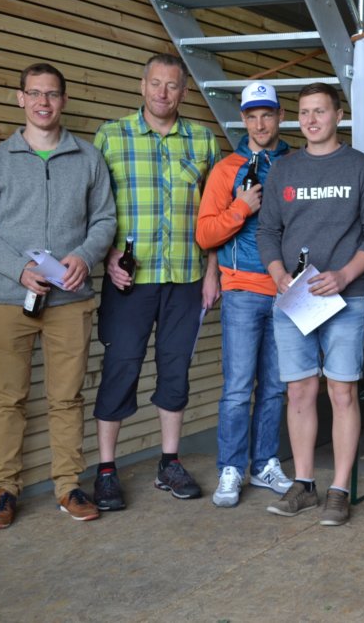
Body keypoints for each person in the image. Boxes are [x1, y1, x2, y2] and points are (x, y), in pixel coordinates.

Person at [0, 63, 117, 527]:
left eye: (51, 94)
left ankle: (68, 486)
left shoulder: (88, 158)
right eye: (34, 93)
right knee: (7, 398)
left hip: (70, 301)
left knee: (66, 398)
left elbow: (105, 220)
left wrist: (85, 256)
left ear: (63, 100)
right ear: (20, 98)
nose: (43, 102)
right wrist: (19, 269)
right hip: (8, 299)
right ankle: (4, 491)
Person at [91, 53, 221, 510]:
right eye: (155, 83)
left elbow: (214, 216)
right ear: (142, 85)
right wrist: (107, 255)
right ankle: (106, 469)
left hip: (186, 277)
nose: (163, 93)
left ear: (183, 92)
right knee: (121, 366)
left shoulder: (203, 141)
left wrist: (212, 272)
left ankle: (169, 461)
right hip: (129, 280)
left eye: (172, 85)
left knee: (175, 368)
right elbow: (93, 209)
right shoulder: (111, 136)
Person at [257, 82, 364, 526]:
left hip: (343, 299)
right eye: (305, 112)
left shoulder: (362, 168)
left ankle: (339, 489)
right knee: (299, 391)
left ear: (338, 115)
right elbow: (267, 232)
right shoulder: (283, 170)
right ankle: (305, 484)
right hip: (294, 300)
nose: (311, 120)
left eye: (320, 111)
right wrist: (278, 275)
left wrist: (344, 276)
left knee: (342, 391)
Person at [196, 81, 294, 508]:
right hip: (241, 291)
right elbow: (205, 234)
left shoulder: (296, 165)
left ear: (280, 116)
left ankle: (265, 462)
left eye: (267, 115)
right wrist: (241, 208)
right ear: (243, 120)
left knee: (274, 388)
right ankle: (231, 468)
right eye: (252, 116)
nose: (260, 124)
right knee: (238, 388)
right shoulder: (226, 170)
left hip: (288, 292)